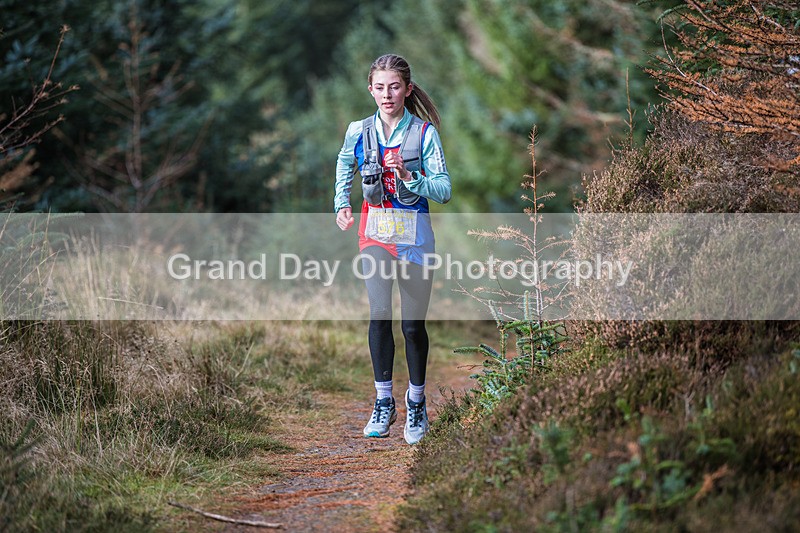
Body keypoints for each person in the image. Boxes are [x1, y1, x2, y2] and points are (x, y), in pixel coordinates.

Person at [333, 54, 451, 445]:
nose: (387, 94)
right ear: (371, 90)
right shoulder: (359, 130)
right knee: (380, 313)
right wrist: (342, 202)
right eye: (380, 87)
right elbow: (343, 163)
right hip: (374, 234)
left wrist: (408, 176)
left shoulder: (424, 133)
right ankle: (383, 403)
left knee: (412, 326)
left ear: (408, 90)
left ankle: (416, 403)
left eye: (395, 86)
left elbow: (444, 190)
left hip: (415, 237)